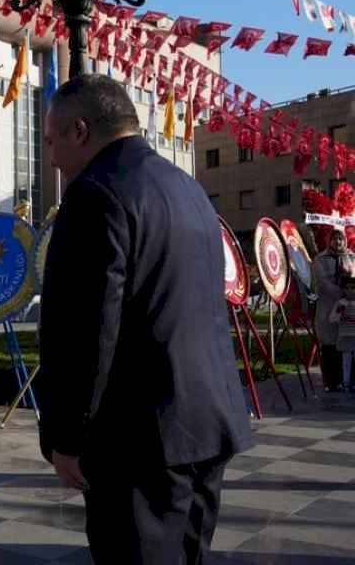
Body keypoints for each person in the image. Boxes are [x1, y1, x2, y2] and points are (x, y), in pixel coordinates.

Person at [38, 75, 253, 564]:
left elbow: (86, 331)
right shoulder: (187, 188)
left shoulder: (95, 193)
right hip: (205, 424)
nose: (51, 158)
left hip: (138, 442)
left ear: (80, 131)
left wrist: (65, 437)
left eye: (51, 140)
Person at [312, 229, 355, 391]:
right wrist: (340, 292)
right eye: (335, 239)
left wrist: (350, 287)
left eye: (341, 239)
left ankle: (349, 381)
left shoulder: (352, 257)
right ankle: (332, 382)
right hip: (328, 306)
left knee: (349, 345)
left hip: (349, 309)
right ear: (329, 241)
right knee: (329, 345)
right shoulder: (320, 259)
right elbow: (322, 282)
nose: (338, 242)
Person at [328, 275, 355, 393]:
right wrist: (340, 310)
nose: (350, 291)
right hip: (345, 335)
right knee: (346, 362)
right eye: (347, 288)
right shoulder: (340, 303)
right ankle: (346, 382)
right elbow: (332, 319)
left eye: (353, 288)